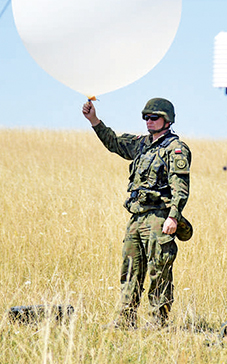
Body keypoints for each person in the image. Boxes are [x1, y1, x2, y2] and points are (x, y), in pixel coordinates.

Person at [82, 97, 191, 328]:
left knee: (159, 271)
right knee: (130, 271)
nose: (149, 122)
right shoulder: (141, 144)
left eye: (154, 117)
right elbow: (114, 142)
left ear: (167, 120)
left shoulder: (176, 149)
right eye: (146, 118)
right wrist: (94, 120)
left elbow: (180, 186)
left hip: (158, 217)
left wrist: (173, 216)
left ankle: (158, 323)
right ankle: (125, 320)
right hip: (136, 217)